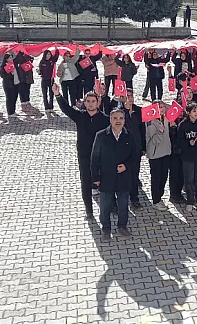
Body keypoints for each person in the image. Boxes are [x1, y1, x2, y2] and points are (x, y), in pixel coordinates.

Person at [54, 83, 110, 219]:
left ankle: (108, 208)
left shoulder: (104, 119)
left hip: (100, 157)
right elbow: (66, 109)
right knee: (85, 183)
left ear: (98, 103)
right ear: (84, 103)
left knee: (104, 183)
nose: (91, 104)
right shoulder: (80, 116)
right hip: (84, 156)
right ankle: (89, 211)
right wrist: (58, 95)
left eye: (93, 101)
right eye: (88, 101)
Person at [91, 108, 139, 240]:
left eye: (121, 118)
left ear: (124, 120)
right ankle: (106, 228)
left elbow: (135, 155)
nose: (118, 121)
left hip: (124, 178)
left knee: (123, 204)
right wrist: (95, 178)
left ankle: (122, 226)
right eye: (115, 118)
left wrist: (126, 166)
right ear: (110, 120)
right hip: (106, 177)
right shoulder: (101, 136)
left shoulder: (129, 135)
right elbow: (95, 158)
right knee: (105, 205)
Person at [177, 103, 197, 211]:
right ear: (188, 112)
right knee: (189, 179)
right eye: (194, 111)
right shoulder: (183, 125)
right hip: (187, 157)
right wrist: (187, 143)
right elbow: (179, 141)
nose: (196, 113)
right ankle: (190, 201)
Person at [146, 100, 171, 209]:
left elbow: (174, 108)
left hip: (166, 152)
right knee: (156, 178)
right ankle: (156, 200)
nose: (162, 109)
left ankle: (159, 197)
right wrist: (160, 132)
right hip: (155, 154)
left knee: (164, 176)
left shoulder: (165, 118)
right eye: (159, 107)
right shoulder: (150, 122)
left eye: (162, 107)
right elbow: (154, 140)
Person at [0, 53, 20, 118]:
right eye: (10, 58)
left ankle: (13, 111)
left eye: (11, 57)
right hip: (8, 85)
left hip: (16, 83)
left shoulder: (14, 64)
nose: (11, 59)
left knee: (14, 98)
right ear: (6, 59)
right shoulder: (3, 66)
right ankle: (10, 112)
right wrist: (10, 73)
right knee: (9, 98)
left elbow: (19, 57)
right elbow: (2, 75)